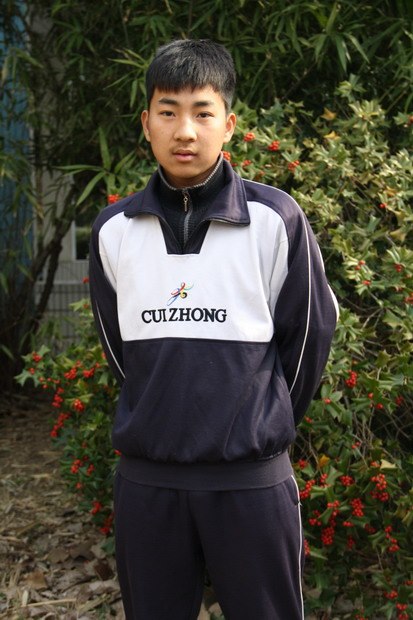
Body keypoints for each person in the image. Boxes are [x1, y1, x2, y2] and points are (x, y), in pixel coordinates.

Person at [89, 39, 338, 620]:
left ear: (229, 124)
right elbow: (120, 353)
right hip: (148, 485)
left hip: (250, 484)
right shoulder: (113, 230)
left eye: (203, 113)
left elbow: (308, 341)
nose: (185, 131)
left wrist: (257, 419)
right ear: (146, 123)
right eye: (168, 111)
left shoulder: (275, 221)